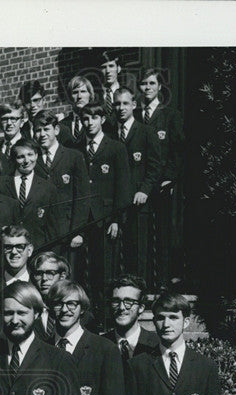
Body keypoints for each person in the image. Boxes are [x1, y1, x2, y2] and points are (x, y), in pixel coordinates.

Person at [137, 67, 185, 283]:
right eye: (144, 84)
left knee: (163, 233)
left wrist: (170, 177)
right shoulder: (136, 116)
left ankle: (163, 281)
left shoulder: (170, 115)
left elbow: (177, 150)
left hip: (162, 183)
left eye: (151, 84)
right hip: (142, 185)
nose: (147, 88)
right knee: (143, 234)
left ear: (159, 87)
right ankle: (145, 280)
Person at [80, 102, 131, 293]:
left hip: (106, 218)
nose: (89, 122)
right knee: (86, 268)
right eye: (85, 118)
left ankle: (107, 313)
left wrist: (116, 219)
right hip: (84, 218)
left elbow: (123, 187)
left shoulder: (116, 148)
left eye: (94, 118)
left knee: (107, 267)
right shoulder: (77, 148)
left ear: (102, 119)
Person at [112, 88, 161, 280]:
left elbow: (155, 167)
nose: (121, 108)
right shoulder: (109, 134)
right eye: (117, 104)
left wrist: (144, 191)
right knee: (118, 249)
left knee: (139, 248)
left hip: (139, 201)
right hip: (117, 203)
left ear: (134, 105)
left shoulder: (146, 132)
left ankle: (141, 289)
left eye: (125, 103)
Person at [31, 110, 91, 254]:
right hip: (41, 233)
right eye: (38, 130)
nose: (42, 134)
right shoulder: (32, 159)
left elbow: (82, 197)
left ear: (56, 130)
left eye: (46, 129)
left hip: (67, 232)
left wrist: (78, 232)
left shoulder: (74, 156)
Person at [0, 138, 63, 250]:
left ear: (36, 156)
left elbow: (53, 227)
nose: (26, 160)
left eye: (30, 155)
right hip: (10, 248)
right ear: (14, 159)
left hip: (38, 247)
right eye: (21, 157)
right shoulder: (2, 184)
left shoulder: (47, 187)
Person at [103, 274, 161, 359]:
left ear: (141, 307)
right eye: (116, 301)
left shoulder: (157, 344)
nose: (121, 307)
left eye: (128, 301)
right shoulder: (100, 344)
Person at [57, 74, 95, 151]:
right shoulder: (61, 125)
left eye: (83, 91)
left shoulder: (97, 122)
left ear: (90, 95)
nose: (79, 96)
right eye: (75, 92)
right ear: (69, 97)